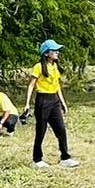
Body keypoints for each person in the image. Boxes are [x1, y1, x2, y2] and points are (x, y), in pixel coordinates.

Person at [22, 39, 80, 169]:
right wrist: (27, 103)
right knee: (41, 131)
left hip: (54, 101)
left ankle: (65, 157)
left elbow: (57, 85)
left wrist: (62, 102)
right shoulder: (38, 67)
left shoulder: (54, 66)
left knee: (61, 129)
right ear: (46, 53)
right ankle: (37, 160)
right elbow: (31, 85)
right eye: (54, 50)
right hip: (43, 101)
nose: (57, 53)